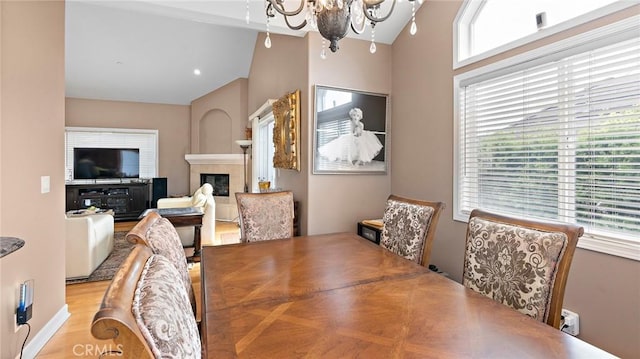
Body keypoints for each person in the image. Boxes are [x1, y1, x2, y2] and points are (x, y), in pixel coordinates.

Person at [318, 107, 383, 166]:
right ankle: (350, 159)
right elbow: (351, 132)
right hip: (352, 136)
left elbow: (360, 132)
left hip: (360, 136)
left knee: (362, 146)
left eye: (357, 116)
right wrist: (355, 130)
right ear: (351, 116)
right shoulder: (350, 123)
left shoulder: (361, 124)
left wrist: (358, 129)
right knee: (349, 145)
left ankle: (360, 160)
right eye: (354, 115)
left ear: (360, 117)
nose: (355, 117)